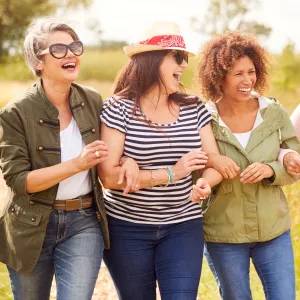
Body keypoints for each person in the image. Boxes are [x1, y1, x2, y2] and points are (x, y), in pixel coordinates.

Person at [0, 17, 132, 300]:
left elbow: (119, 146)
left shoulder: (94, 101)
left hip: (83, 221)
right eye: (59, 49)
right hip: (30, 225)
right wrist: (77, 164)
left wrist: (129, 160)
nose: (71, 53)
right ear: (38, 63)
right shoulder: (15, 113)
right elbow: (19, 181)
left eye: (74, 46)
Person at [98, 21, 223, 300]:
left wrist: (205, 182)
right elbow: (108, 178)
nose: (184, 65)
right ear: (152, 60)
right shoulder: (117, 109)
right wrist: (172, 173)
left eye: (185, 58)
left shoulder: (194, 107)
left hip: (183, 224)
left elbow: (212, 162)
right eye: (177, 57)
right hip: (126, 228)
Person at [193, 31, 300, 300]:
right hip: (224, 234)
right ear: (219, 77)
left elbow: (294, 158)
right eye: (237, 73)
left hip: (273, 229)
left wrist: (272, 170)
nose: (247, 80)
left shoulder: (273, 112)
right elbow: (199, 166)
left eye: (251, 71)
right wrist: (203, 181)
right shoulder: (204, 118)